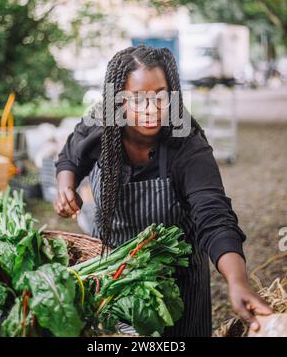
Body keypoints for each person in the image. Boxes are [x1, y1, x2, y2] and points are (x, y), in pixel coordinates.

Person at [54, 44, 272, 337]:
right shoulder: (100, 122)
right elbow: (70, 156)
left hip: (178, 282)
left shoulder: (186, 141)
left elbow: (213, 213)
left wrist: (237, 280)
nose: (152, 110)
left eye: (161, 97)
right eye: (139, 99)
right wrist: (65, 186)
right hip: (115, 277)